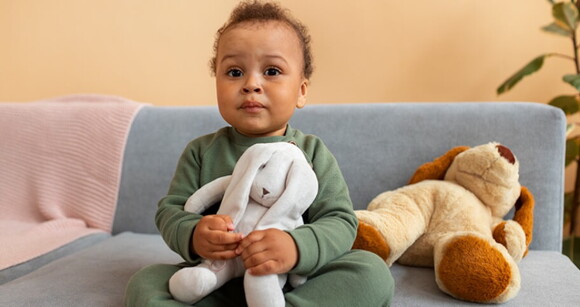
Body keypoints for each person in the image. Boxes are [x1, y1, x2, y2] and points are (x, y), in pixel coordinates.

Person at [124, 1, 394, 306]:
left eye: (272, 71)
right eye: (235, 72)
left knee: (371, 272)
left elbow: (340, 220)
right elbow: (170, 211)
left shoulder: (312, 153)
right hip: (214, 277)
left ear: (301, 90)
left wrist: (295, 247)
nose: (251, 84)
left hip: (291, 281)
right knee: (144, 283)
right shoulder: (201, 151)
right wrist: (194, 234)